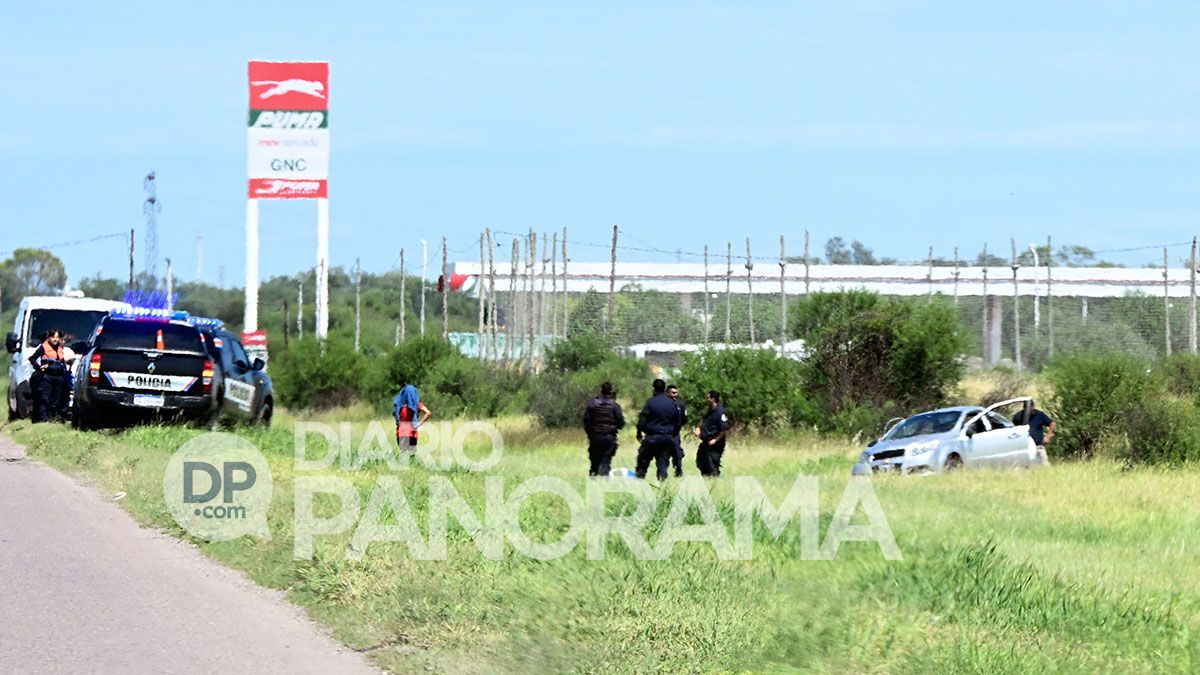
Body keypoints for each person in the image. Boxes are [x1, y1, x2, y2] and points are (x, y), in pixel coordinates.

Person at [635, 379, 681, 481]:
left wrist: (639, 433)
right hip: (666, 438)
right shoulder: (672, 404)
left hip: (652, 437)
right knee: (663, 463)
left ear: (653, 388)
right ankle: (662, 484)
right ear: (664, 389)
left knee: (642, 462)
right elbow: (678, 423)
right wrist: (671, 435)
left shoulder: (650, 403)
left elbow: (642, 421)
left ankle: (639, 482)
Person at [583, 381, 625, 476]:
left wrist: (590, 433)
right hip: (609, 437)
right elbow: (621, 423)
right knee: (606, 461)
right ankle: (604, 480)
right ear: (611, 392)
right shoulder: (615, 406)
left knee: (594, 462)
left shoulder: (592, 404)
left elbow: (586, 421)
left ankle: (593, 479)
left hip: (595, 436)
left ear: (601, 391)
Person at [28, 329, 69, 423]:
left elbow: (62, 363)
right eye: (53, 337)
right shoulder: (44, 347)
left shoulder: (60, 349)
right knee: (44, 399)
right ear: (49, 337)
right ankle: (43, 420)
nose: (55, 339)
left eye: (57, 337)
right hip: (47, 377)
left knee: (55, 400)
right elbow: (32, 359)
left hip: (58, 378)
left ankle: (52, 419)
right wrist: (39, 368)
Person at [694, 390, 731, 477]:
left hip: (716, 443)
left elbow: (724, 429)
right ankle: (707, 479)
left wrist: (715, 440)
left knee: (712, 465)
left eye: (708, 398)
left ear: (713, 399)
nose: (706, 400)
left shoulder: (720, 412)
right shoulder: (709, 410)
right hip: (706, 441)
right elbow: (703, 421)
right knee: (701, 462)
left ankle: (715, 480)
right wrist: (698, 428)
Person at [393, 383, 432, 453]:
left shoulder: (399, 406)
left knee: (404, 454)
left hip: (401, 434)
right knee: (412, 455)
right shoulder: (417, 405)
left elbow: (396, 416)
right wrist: (419, 424)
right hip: (413, 434)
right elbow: (428, 413)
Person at [1013, 399, 1055, 464]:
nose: (1030, 409)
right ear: (1024, 408)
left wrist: (1048, 436)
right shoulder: (1018, 416)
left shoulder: (1039, 415)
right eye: (1028, 408)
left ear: (1033, 406)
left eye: (1031, 407)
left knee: (1044, 464)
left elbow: (1052, 423)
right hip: (1024, 448)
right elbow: (1013, 428)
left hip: (1038, 446)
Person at [666, 384, 687, 477]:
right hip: (665, 433)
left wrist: (678, 426)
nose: (675, 395)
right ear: (667, 393)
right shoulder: (663, 404)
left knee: (677, 451)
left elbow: (684, 418)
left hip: (675, 433)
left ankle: (678, 470)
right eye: (673, 393)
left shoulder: (680, 404)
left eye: (676, 393)